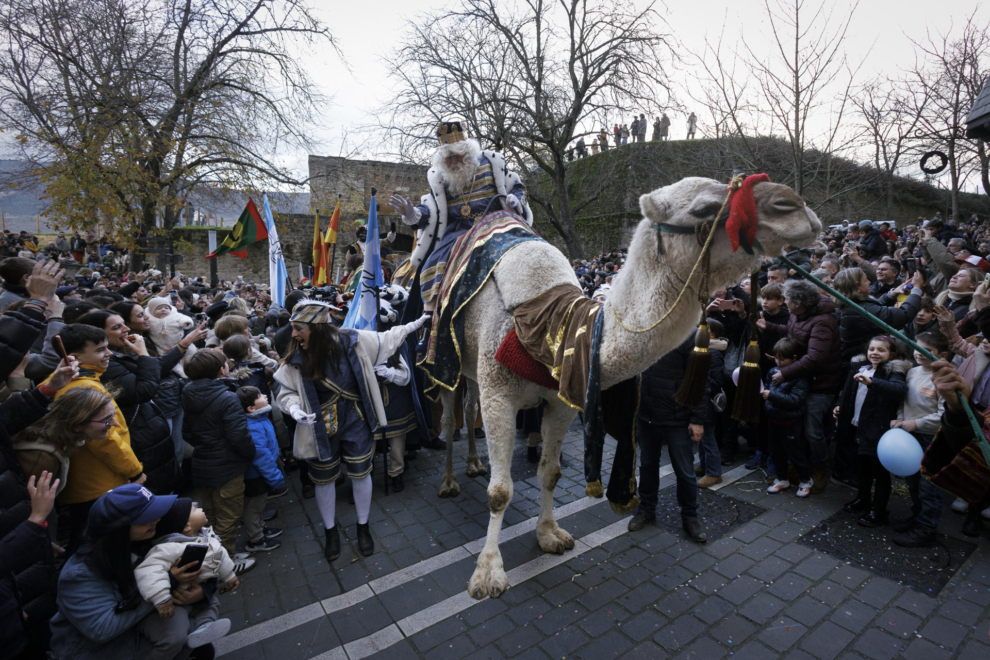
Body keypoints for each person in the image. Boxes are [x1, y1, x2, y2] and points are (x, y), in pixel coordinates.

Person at [274, 301, 430, 561]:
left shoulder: (353, 341)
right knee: (323, 480)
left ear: (318, 328)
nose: (293, 334)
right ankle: (330, 532)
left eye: (299, 328)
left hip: (356, 420)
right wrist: (293, 410)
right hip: (319, 427)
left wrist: (417, 321)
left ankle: (363, 526)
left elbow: (388, 338)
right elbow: (287, 393)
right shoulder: (297, 356)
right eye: (293, 328)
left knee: (361, 473)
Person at [387, 122, 530, 343]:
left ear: (468, 152)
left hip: (495, 221)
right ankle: (429, 321)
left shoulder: (491, 163)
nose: (453, 162)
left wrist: (515, 200)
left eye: (457, 156)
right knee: (432, 261)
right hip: (459, 230)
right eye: (448, 158)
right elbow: (431, 210)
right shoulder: (441, 177)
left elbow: (516, 186)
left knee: (528, 247)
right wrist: (411, 212)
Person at [48, 483, 214, 660]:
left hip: (138, 630)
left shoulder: (141, 540)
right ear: (119, 530)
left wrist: (202, 592)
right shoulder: (79, 575)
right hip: (103, 650)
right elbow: (103, 629)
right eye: (146, 517)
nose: (156, 519)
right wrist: (162, 589)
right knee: (183, 636)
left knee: (200, 641)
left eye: (155, 511)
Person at [53, 324, 147, 554]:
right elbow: (105, 440)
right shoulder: (82, 389)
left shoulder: (71, 381)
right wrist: (134, 471)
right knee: (101, 549)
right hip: (99, 486)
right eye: (100, 350)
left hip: (92, 483)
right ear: (75, 356)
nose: (109, 354)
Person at [78, 309, 176, 495]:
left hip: (147, 437)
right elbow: (142, 391)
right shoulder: (104, 367)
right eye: (117, 327)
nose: (126, 329)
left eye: (124, 323)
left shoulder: (120, 354)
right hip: (138, 443)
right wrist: (144, 355)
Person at [757, 279, 841, 494]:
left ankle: (818, 469)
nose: (785, 302)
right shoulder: (799, 314)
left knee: (813, 431)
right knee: (799, 429)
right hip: (803, 378)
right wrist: (772, 328)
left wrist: (785, 373)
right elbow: (794, 333)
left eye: (788, 299)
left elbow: (816, 357)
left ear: (799, 303)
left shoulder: (822, 321)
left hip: (820, 383)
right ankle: (798, 467)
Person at [627, 332, 708, 543]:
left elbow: (699, 380)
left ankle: (690, 517)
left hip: (678, 418)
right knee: (647, 466)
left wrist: (697, 419)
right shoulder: (645, 331)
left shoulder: (688, 334)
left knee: (685, 472)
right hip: (647, 416)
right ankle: (646, 509)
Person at [181, 349, 256, 572]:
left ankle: (215, 556)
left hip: (202, 464)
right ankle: (224, 564)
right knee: (228, 517)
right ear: (220, 370)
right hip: (227, 467)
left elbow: (186, 432)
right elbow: (238, 437)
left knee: (211, 516)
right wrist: (250, 454)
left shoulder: (187, 393)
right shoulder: (227, 398)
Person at [133, 498, 235, 652]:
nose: (199, 508)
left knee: (211, 604)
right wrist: (162, 597)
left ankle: (204, 628)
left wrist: (229, 575)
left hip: (195, 594)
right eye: (194, 510)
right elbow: (149, 570)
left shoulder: (207, 536)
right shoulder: (169, 547)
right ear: (187, 526)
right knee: (177, 627)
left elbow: (220, 554)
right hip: (173, 602)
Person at [834, 336, 909, 527]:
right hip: (858, 425)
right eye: (872, 349)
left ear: (891, 354)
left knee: (880, 471)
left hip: (877, 428)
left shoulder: (892, 372)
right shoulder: (861, 368)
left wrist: (873, 383)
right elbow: (850, 393)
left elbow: (898, 390)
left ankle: (879, 510)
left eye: (881, 350)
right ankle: (863, 499)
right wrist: (841, 408)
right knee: (862, 467)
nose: (875, 353)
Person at [890, 331, 947, 548]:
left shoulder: (942, 377)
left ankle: (926, 529)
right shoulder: (912, 372)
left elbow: (944, 414)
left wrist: (917, 423)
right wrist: (901, 418)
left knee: (928, 486)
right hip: (910, 436)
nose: (919, 353)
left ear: (941, 355)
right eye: (917, 348)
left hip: (932, 439)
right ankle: (916, 517)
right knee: (913, 482)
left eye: (927, 350)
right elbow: (903, 401)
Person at [236, 386, 284, 553]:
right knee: (254, 508)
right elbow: (260, 455)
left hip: (260, 472)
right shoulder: (253, 426)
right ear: (251, 408)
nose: (265, 395)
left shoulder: (259, 419)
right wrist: (274, 476)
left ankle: (260, 529)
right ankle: (255, 539)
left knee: (259, 505)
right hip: (256, 475)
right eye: (260, 395)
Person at [763, 338, 813, 498]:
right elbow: (767, 386)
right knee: (775, 451)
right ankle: (781, 478)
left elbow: (795, 400)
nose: (778, 361)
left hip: (790, 421)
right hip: (773, 419)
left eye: (782, 359)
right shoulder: (772, 371)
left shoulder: (799, 377)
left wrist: (772, 396)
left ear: (794, 358)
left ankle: (806, 480)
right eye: (776, 358)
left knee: (795, 452)